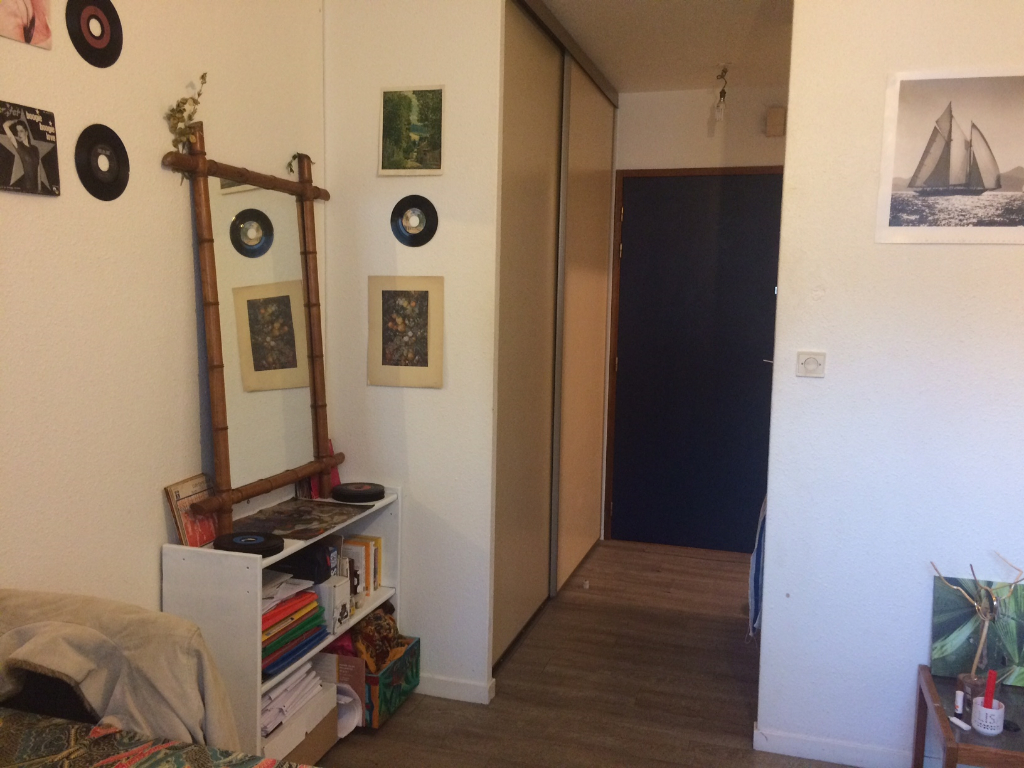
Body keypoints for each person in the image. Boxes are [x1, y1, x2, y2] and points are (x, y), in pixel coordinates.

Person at [3, 112, 40, 192]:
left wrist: (39, 190)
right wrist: (16, 121)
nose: (19, 134)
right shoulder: (19, 146)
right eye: (17, 131)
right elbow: (5, 125)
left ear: (26, 132)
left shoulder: (35, 149)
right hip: (26, 188)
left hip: (36, 190)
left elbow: (38, 170)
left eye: (21, 131)